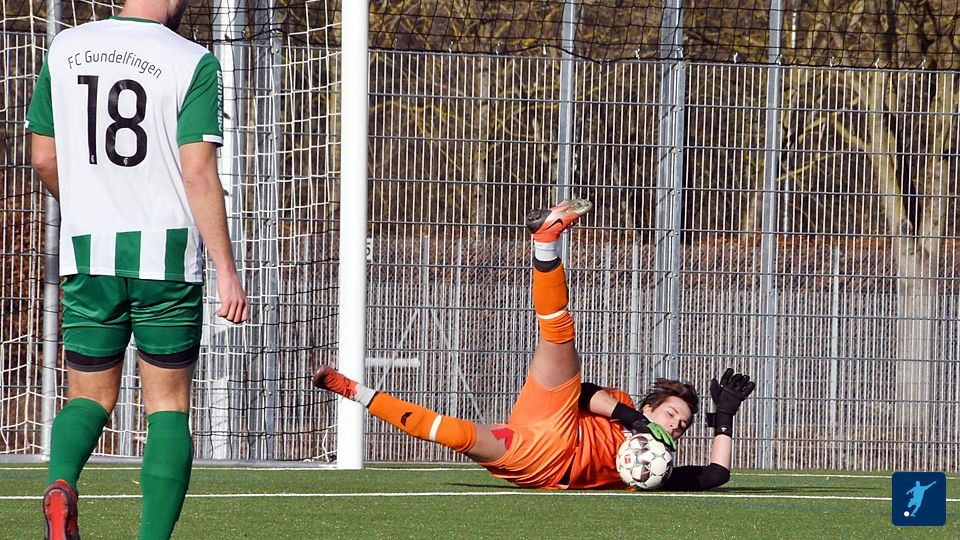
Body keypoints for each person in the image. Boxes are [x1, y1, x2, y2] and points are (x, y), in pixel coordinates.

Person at [313, 199, 755, 490]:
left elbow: (715, 475)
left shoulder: (655, 465)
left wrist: (724, 419)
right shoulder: (622, 405)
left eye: (683, 424)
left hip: (539, 462)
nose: (676, 425)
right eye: (673, 414)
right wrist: (630, 418)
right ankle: (546, 241)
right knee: (559, 333)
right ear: (652, 406)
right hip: (551, 416)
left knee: (454, 434)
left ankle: (350, 388)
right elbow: (580, 393)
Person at [27, 1, 248, 538]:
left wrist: (87, 210)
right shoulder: (192, 60)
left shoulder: (65, 46)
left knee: (88, 397)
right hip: (165, 260)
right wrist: (227, 269)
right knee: (167, 406)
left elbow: (43, 159)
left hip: (89, 255)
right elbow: (198, 172)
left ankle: (60, 484)